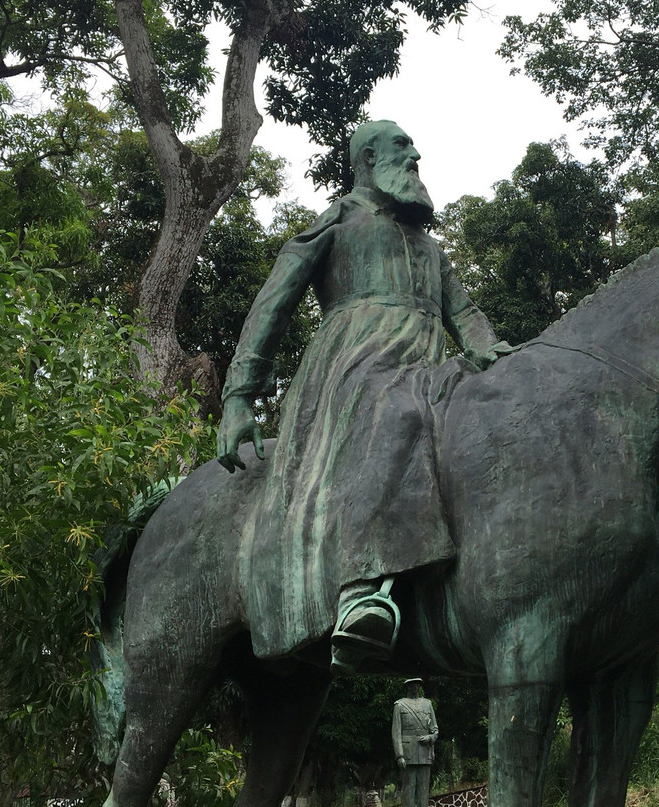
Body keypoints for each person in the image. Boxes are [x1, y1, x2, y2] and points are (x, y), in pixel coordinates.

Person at [216, 120, 507, 673]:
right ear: (369, 158)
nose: (417, 154)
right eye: (403, 146)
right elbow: (272, 305)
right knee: (395, 412)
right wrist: (239, 397)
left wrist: (489, 351)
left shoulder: (431, 247)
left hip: (427, 367)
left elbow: (465, 314)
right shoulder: (341, 220)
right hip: (357, 366)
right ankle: (361, 589)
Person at [392, 677, 437, 807]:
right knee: (409, 789)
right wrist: (399, 755)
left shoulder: (427, 704)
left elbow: (435, 729)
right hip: (408, 753)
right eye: (412, 684)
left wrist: (429, 738)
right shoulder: (400, 705)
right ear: (407, 686)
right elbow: (396, 732)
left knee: (423, 789)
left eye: (418, 684)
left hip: (425, 752)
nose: (415, 687)